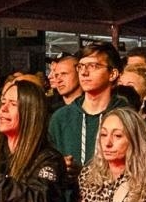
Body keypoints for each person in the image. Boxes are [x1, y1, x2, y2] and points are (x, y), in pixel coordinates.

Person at [49, 42, 128, 184]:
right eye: (81, 67)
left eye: (93, 66)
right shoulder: (60, 117)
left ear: (113, 74)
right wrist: (59, 166)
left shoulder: (127, 117)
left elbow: (136, 166)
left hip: (112, 201)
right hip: (68, 201)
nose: (84, 73)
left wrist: (85, 173)